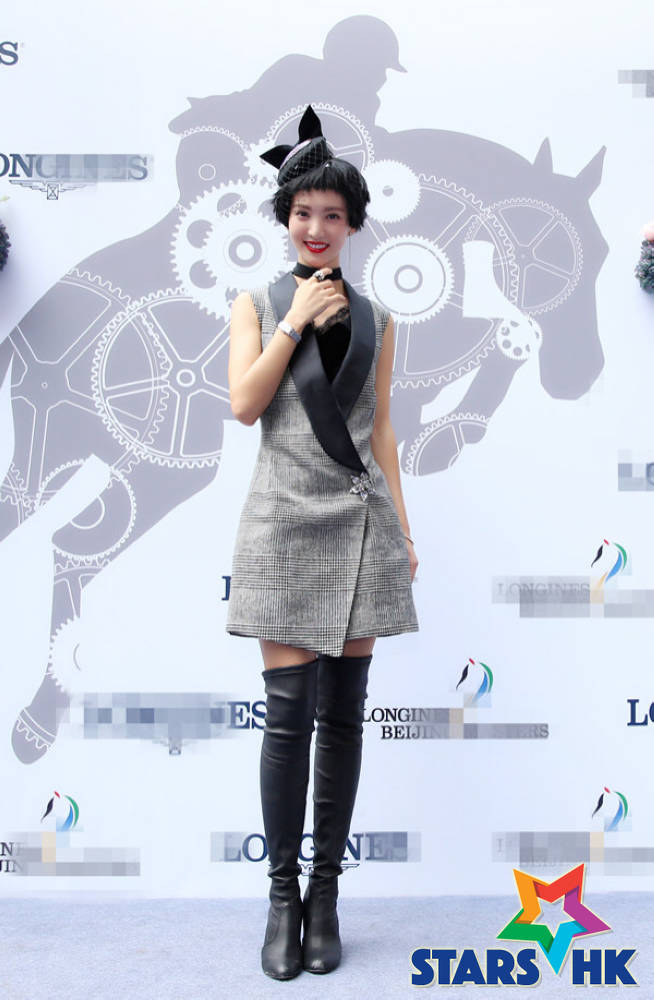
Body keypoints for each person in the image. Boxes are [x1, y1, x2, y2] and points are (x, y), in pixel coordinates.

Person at [226, 106, 418, 980]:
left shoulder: (379, 320)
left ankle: (326, 897)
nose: (317, 228)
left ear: (353, 225)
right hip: (281, 523)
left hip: (363, 523)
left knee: (343, 719)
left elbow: (382, 433)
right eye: (304, 213)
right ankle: (281, 898)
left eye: (333, 215)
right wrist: (295, 322)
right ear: (285, 218)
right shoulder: (256, 303)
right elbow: (245, 405)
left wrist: (403, 529)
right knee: (287, 720)